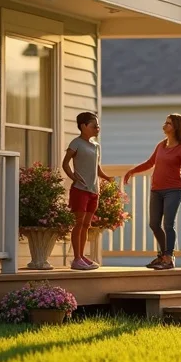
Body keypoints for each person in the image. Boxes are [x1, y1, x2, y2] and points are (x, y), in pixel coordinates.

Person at [124, 114, 181, 270]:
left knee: (168, 224)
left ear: (176, 128)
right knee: (154, 224)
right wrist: (132, 171)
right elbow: (150, 163)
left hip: (173, 190)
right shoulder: (161, 145)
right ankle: (163, 256)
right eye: (165, 122)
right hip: (156, 190)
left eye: (168, 123)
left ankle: (168, 257)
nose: (164, 125)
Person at [62, 111, 114, 271]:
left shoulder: (96, 146)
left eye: (98, 126)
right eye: (94, 125)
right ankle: (76, 259)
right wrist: (73, 177)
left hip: (94, 190)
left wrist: (107, 178)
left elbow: (96, 168)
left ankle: (82, 256)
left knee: (86, 225)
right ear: (83, 126)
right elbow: (65, 163)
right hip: (80, 189)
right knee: (79, 223)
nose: (97, 128)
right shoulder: (76, 143)